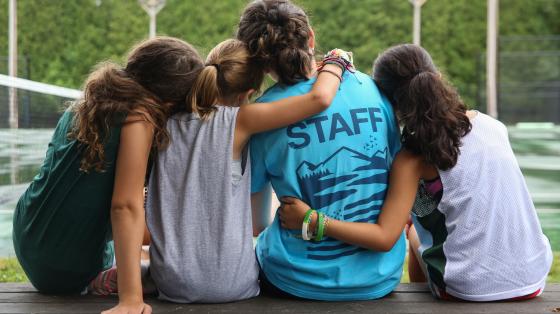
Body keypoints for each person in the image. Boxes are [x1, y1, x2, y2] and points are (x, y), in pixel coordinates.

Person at [280, 44, 553, 302]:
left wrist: (313, 220)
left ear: (391, 105)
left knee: (412, 233)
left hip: (469, 287)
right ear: (437, 77)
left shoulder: (411, 159)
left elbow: (385, 238)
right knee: (418, 224)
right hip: (533, 277)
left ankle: (421, 296)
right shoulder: (494, 126)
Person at [145, 38, 348, 303]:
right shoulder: (241, 120)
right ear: (247, 94)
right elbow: (318, 98)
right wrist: (337, 59)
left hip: (172, 284)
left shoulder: (165, 121)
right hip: (235, 284)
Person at [12, 37, 204, 314]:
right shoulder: (140, 117)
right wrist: (131, 300)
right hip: (62, 268)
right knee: (157, 265)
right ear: (169, 101)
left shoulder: (91, 100)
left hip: (29, 231)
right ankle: (99, 280)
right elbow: (124, 206)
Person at [237, 0, 405, 300]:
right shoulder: (370, 87)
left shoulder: (260, 116)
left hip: (294, 279)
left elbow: (256, 223)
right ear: (311, 38)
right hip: (380, 277)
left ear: (259, 61)